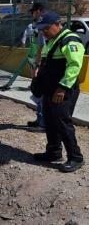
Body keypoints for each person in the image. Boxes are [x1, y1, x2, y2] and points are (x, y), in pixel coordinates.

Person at [32, 11, 85, 173]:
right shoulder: (53, 40)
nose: (44, 32)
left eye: (46, 28)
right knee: (50, 121)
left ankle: (76, 157)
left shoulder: (70, 40)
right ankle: (53, 152)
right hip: (50, 89)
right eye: (41, 29)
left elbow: (74, 66)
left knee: (62, 122)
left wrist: (63, 88)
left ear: (57, 24)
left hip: (62, 90)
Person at [23, 2, 47, 129]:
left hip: (45, 63)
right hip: (42, 62)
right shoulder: (39, 25)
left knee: (40, 92)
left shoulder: (44, 24)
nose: (32, 15)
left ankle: (43, 122)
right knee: (38, 91)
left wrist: (38, 66)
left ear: (38, 11)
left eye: (33, 12)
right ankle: (40, 119)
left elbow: (42, 47)